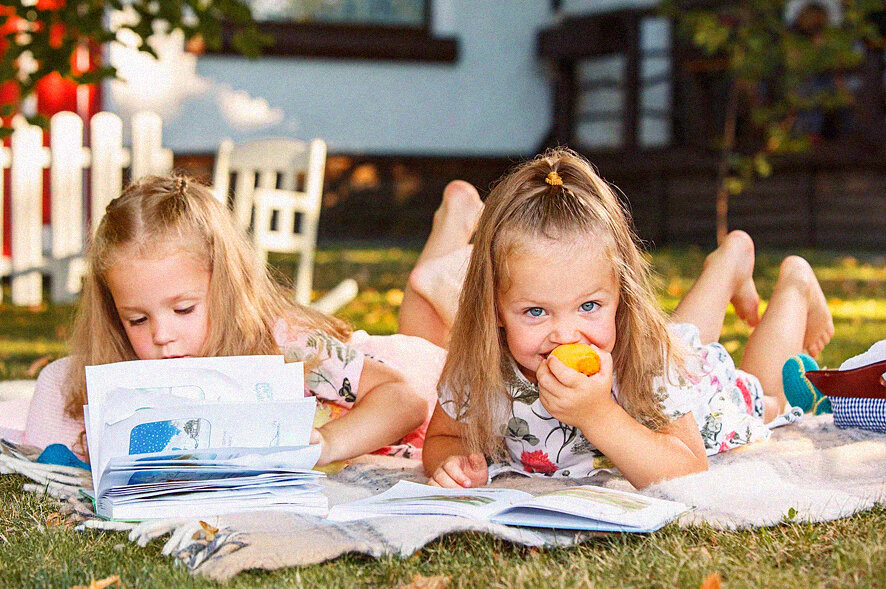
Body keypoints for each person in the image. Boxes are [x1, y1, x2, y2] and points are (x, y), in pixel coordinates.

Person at [416, 148, 834, 490]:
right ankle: (729, 262)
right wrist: (453, 461)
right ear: (494, 309)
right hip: (675, 356)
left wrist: (598, 414)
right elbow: (442, 437)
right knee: (683, 341)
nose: (565, 334)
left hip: (703, 396)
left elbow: (689, 472)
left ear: (622, 297)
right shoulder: (479, 364)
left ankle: (794, 286)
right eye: (536, 312)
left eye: (589, 306)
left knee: (766, 398)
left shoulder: (647, 356)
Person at [21, 174, 444, 464]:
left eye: (184, 309)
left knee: (448, 337)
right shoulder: (119, 366)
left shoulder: (286, 344)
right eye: (136, 319)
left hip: (418, 372)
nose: (162, 336)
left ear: (226, 288)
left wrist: (326, 444)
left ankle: (442, 255)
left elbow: (407, 400)